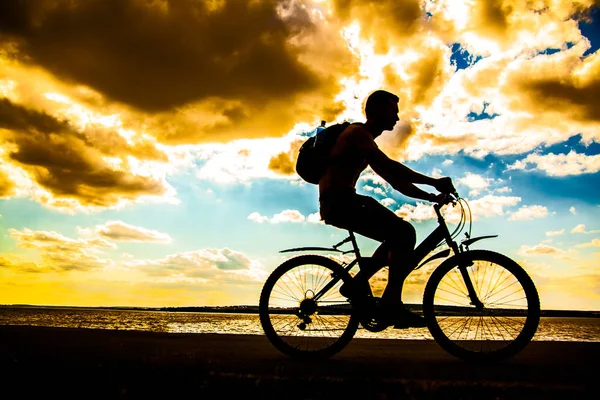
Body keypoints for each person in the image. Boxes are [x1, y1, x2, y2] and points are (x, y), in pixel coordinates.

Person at [319, 90, 456, 328]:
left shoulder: (364, 140)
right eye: (393, 111)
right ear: (378, 111)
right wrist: (434, 181)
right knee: (404, 233)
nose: (397, 117)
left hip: (341, 201)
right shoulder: (358, 133)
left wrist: (430, 196)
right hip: (340, 201)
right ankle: (390, 305)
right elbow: (389, 165)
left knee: (398, 235)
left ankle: (357, 284)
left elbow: (395, 181)